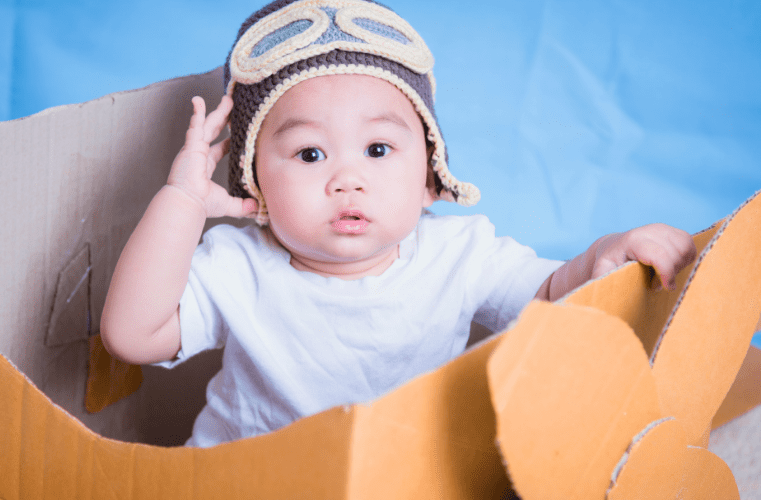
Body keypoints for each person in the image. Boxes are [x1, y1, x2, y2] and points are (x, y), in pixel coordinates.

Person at [101, 0, 696, 447]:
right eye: (310, 155)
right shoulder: (236, 266)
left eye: (379, 150)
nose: (347, 179)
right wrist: (181, 201)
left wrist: (601, 257)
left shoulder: (461, 254)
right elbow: (132, 335)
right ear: (254, 186)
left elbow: (548, 297)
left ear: (431, 177)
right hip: (253, 479)